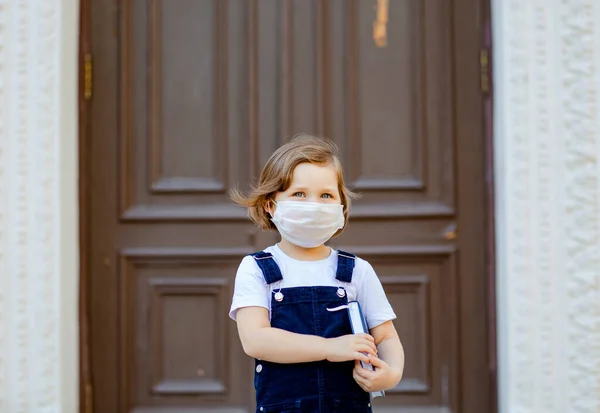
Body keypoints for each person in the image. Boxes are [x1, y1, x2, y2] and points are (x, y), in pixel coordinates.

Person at [229, 134, 404, 413]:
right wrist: (330, 348)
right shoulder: (257, 268)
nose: (314, 205)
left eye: (326, 195)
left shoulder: (356, 270)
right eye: (299, 194)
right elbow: (255, 339)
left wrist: (391, 373)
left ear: (341, 206)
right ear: (270, 205)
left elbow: (385, 336)